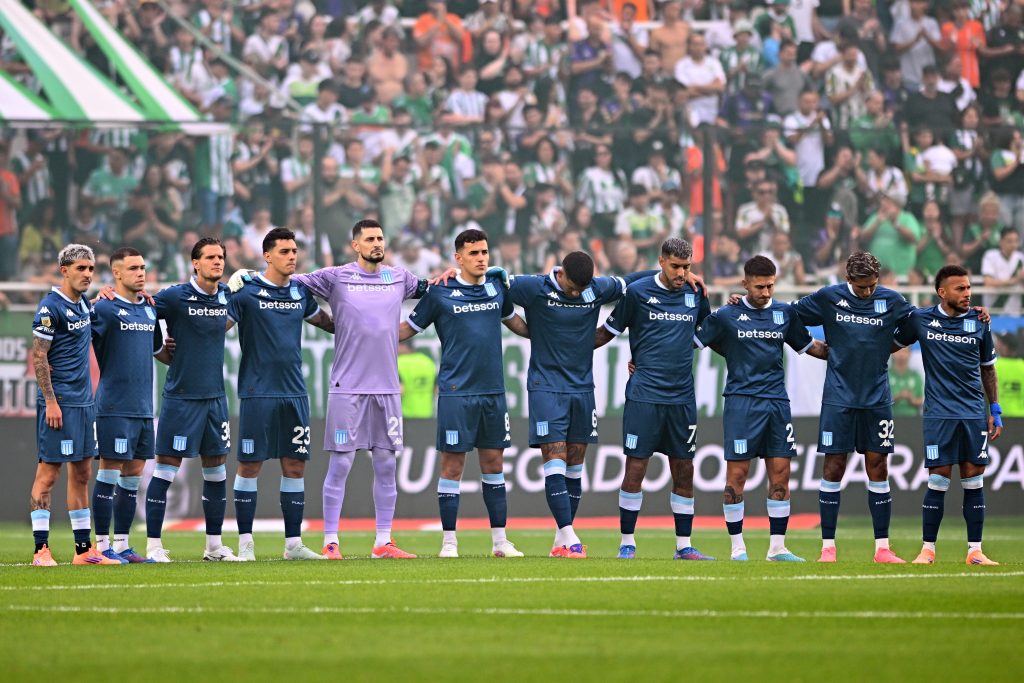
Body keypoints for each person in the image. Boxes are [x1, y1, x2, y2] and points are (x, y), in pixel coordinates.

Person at [505, 253, 687, 557]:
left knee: (575, 466)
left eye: (582, 289)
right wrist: (518, 324)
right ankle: (570, 535)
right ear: (560, 274)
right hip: (546, 387)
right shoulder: (532, 287)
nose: (577, 294)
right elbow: (492, 285)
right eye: (572, 288)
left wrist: (680, 275)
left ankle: (560, 542)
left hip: (582, 389)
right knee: (555, 458)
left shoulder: (597, 288)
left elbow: (632, 281)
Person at [284, 220, 429, 560]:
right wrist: (249, 276)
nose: (377, 243)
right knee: (341, 464)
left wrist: (452, 275)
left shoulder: (400, 278)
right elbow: (287, 282)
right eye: (370, 239)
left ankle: (383, 542)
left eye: (380, 238)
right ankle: (331, 541)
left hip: (388, 388)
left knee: (386, 464)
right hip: (347, 387)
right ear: (355, 245)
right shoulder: (335, 277)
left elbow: (434, 289)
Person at [399, 229, 529, 558]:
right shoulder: (440, 292)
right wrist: (363, 331)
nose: (481, 258)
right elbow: (407, 329)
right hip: (456, 393)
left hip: (493, 392)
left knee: (494, 464)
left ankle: (500, 542)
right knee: (452, 466)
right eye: (473, 253)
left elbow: (517, 324)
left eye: (484, 252)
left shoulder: (497, 286)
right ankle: (449, 543)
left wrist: (554, 334)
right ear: (458, 258)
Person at [694, 256, 827, 562]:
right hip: (741, 402)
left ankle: (777, 548)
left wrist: (850, 352)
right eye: (759, 287)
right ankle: (737, 548)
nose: (766, 292)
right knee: (737, 476)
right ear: (745, 284)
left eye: (770, 286)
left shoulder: (784, 313)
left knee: (781, 475)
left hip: (777, 403)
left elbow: (812, 347)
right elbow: (693, 340)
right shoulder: (727, 315)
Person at [787, 252, 916, 563]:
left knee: (879, 467)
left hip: (877, 399)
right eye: (861, 287)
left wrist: (894, 344)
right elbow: (789, 316)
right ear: (848, 279)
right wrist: (809, 347)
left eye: (872, 285)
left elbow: (918, 322)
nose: (868, 291)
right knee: (834, 467)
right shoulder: (828, 297)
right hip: (839, 398)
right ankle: (827, 548)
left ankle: (882, 548)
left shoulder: (891, 300)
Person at [594, 238, 714, 560]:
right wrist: (569, 345)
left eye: (686, 267)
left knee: (684, 469)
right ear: (661, 261)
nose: (681, 273)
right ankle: (627, 543)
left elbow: (708, 330)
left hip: (682, 397)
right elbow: (607, 332)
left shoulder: (696, 293)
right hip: (644, 395)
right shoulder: (637, 293)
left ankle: (684, 546)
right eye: (675, 266)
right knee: (636, 467)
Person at [226, 228, 335, 561]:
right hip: (258, 392)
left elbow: (329, 323)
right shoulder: (246, 293)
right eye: (284, 251)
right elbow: (217, 327)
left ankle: (293, 545)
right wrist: (222, 292)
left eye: (294, 251)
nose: (292, 256)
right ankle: (246, 544)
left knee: (295, 465)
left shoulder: (300, 293)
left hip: (294, 392)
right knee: (249, 466)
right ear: (267, 256)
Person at [895, 265, 1002, 566]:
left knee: (974, 481)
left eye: (969, 287)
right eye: (960, 288)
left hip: (972, 414)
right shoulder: (921, 320)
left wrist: (994, 409)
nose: (967, 293)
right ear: (942, 292)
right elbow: (889, 345)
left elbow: (988, 369)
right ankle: (927, 550)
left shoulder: (979, 322)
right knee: (938, 480)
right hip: (939, 415)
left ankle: (975, 551)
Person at [145, 238, 240, 562]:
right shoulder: (175, 296)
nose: (217, 261)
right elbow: (142, 311)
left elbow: (228, 321)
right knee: (165, 471)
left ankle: (214, 547)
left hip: (215, 399)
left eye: (221, 257)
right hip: (182, 398)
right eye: (210, 257)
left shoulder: (226, 295)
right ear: (195, 263)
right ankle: (154, 546)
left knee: (216, 471)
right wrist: (159, 348)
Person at [30, 244, 120, 566]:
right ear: (64, 270)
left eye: (91, 269)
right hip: (60, 403)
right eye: (81, 268)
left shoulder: (82, 303)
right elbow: (38, 356)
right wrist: (50, 401)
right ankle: (41, 550)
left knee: (82, 474)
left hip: (84, 403)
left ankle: (83, 551)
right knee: (48, 474)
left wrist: (100, 298)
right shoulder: (49, 307)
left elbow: (83, 316)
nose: (88, 274)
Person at [90, 248, 173, 564]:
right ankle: (101, 545)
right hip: (114, 406)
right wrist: (94, 301)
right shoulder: (104, 309)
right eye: (134, 268)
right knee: (109, 472)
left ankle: (123, 545)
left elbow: (159, 352)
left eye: (143, 267)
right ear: (117, 273)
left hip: (143, 408)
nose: (141, 273)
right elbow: (76, 335)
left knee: (133, 476)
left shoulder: (150, 310)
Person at [981, 227, 1024, 315]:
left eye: (1016, 241)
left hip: (1015, 312)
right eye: (1009, 241)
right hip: (993, 311)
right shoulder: (990, 256)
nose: (1013, 245)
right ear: (1000, 241)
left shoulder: (1021, 258)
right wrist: (1014, 280)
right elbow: (988, 282)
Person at [889, 347, 924, 417]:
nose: (901, 355)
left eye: (904, 351)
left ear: (910, 354)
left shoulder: (916, 376)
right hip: (890, 418)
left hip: (912, 419)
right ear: (892, 353)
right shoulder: (885, 375)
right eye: (898, 351)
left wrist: (912, 399)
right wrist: (897, 397)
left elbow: (922, 400)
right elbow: (879, 401)